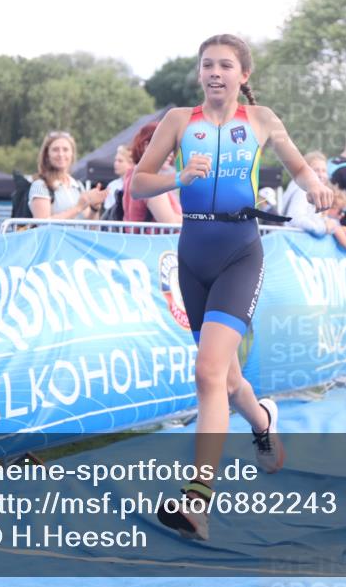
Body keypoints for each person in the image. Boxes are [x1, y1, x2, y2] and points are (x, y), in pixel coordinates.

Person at [129, 34, 332, 540]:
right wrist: (178, 178)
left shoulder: (261, 121)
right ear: (199, 74)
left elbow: (300, 166)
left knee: (206, 372)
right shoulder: (179, 121)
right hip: (192, 255)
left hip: (240, 253)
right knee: (228, 379)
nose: (215, 72)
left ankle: (197, 500)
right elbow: (138, 182)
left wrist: (315, 187)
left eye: (225, 65)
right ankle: (262, 420)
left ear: (244, 75)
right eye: (207, 65)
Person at [28, 131, 108, 220]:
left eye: (65, 149)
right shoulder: (40, 185)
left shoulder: (78, 186)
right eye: (55, 150)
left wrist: (94, 209)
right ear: (47, 155)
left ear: (72, 154)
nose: (61, 154)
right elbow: (42, 225)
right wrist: (78, 208)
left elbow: (90, 228)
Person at [123, 123, 182, 225]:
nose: (171, 152)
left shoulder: (132, 174)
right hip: (156, 240)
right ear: (147, 146)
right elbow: (170, 223)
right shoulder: (148, 180)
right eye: (166, 145)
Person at [280, 151, 330, 235]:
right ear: (306, 172)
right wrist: (324, 228)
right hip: (294, 240)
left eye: (324, 171)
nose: (321, 175)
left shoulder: (305, 188)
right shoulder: (302, 190)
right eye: (316, 170)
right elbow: (295, 218)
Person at [102, 145, 132, 221]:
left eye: (120, 161)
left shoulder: (138, 185)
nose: (116, 163)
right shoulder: (111, 186)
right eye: (115, 160)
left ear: (131, 163)